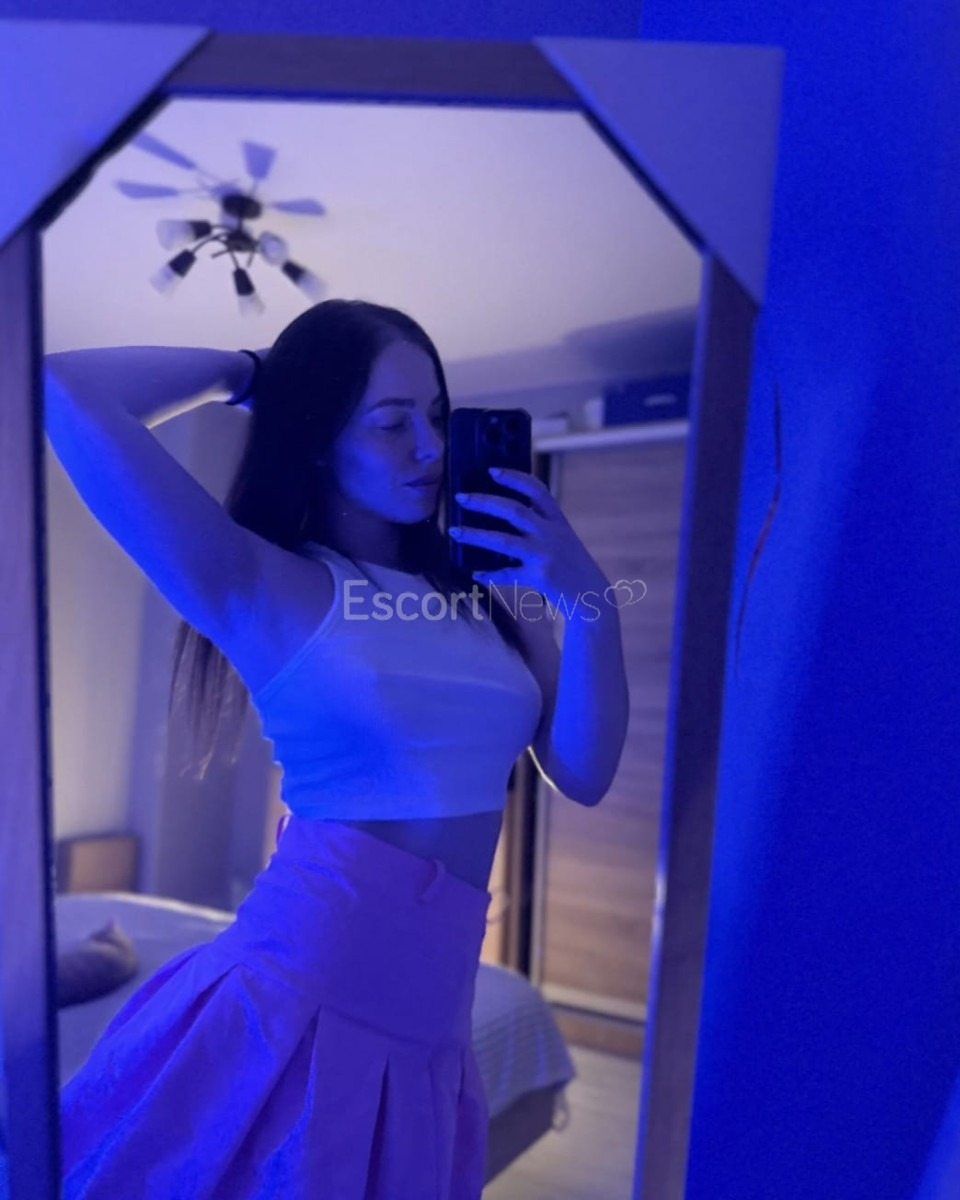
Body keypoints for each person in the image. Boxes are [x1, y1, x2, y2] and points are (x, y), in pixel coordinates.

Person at [42, 299, 630, 1199]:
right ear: (318, 437)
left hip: (432, 1012)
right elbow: (68, 390)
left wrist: (589, 603)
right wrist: (254, 374)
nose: (429, 448)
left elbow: (582, 773)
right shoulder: (265, 583)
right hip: (302, 991)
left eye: (436, 416)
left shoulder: (488, 599)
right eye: (392, 423)